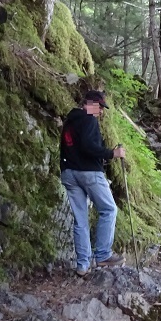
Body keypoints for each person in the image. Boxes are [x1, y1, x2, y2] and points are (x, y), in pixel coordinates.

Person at [60, 90, 126, 276]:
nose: (101, 112)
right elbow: (88, 147)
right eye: (99, 107)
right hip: (88, 173)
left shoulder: (69, 122)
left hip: (69, 173)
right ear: (89, 104)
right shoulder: (88, 119)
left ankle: (82, 265)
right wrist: (112, 154)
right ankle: (103, 255)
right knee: (109, 209)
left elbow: (74, 148)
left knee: (80, 220)